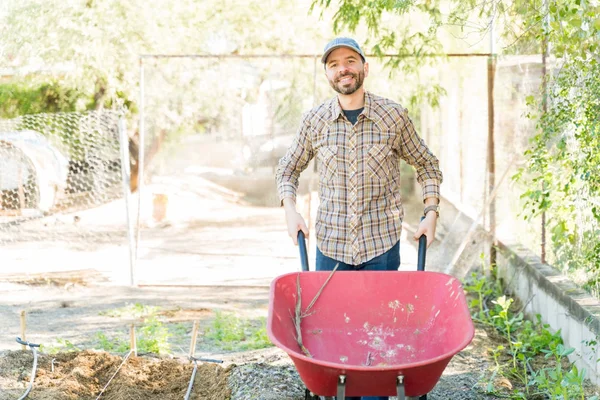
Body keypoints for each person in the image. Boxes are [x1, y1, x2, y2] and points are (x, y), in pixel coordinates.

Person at [275, 37, 443, 400]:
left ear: (365, 68)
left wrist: (430, 211)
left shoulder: (392, 116)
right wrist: (290, 210)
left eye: (350, 61)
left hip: (380, 247)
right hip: (331, 250)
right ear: (327, 74)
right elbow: (287, 169)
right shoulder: (315, 121)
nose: (343, 69)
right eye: (334, 64)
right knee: (336, 340)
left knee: (379, 339)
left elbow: (427, 164)